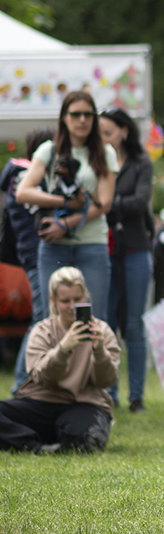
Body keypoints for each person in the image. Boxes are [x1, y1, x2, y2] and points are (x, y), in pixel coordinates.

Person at [16, 91, 118, 323]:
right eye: (75, 114)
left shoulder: (105, 152)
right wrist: (65, 204)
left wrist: (65, 223)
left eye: (88, 114)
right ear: (64, 117)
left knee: (93, 319)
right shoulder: (49, 150)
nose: (82, 120)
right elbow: (23, 192)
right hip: (54, 247)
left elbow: (104, 204)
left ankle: (89, 361)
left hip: (92, 244)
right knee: (51, 321)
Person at [0, 267, 121, 453]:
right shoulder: (41, 331)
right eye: (65, 301)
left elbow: (107, 381)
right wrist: (64, 348)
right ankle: (35, 446)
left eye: (77, 299)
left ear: (86, 297)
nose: (72, 306)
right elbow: (43, 378)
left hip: (84, 404)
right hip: (41, 403)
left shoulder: (102, 331)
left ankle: (41, 442)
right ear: (53, 301)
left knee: (84, 439)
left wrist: (99, 351)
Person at [98, 108, 154, 412]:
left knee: (134, 324)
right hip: (104, 251)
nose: (103, 139)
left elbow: (139, 202)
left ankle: (136, 396)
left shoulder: (140, 162)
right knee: (105, 323)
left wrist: (107, 203)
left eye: (108, 133)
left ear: (123, 132)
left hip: (135, 248)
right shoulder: (97, 161)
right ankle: (109, 393)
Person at [1, 127, 55, 390]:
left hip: (32, 253)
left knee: (44, 316)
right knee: (42, 317)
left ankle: (30, 382)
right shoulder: (24, 176)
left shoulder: (18, 175)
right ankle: (22, 383)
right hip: (36, 254)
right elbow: (37, 211)